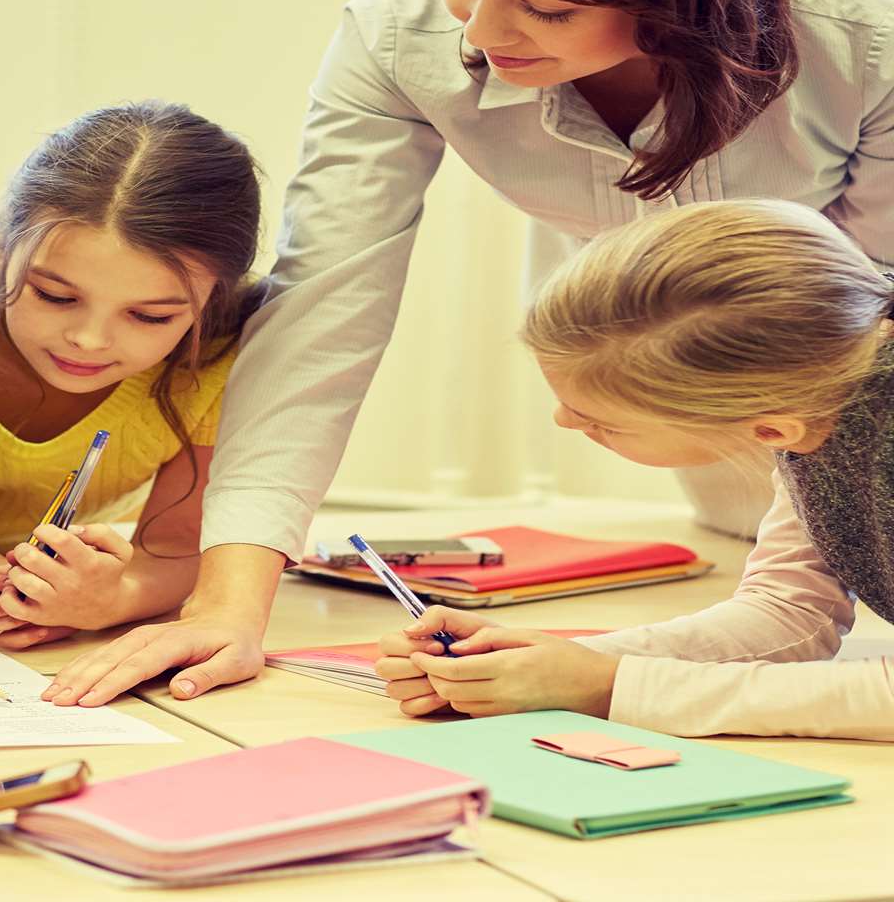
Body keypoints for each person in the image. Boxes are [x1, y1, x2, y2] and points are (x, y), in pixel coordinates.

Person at [44, 0, 894, 708]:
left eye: (548, 7)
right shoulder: (398, 36)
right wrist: (226, 606)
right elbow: (321, 310)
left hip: (801, 401)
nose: (484, 33)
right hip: (735, 439)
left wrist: (611, 687)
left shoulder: (869, 38)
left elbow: (862, 328)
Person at [376, 201, 894, 741]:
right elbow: (790, 614)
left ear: (769, 431)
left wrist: (608, 687)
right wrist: (543, 665)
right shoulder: (820, 385)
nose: (562, 420)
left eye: (601, 422)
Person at [0, 102, 264, 645]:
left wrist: (110, 601)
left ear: (212, 299)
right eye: (55, 295)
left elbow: (176, 550)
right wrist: (7, 590)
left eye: (150, 315)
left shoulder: (220, 361)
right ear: (5, 248)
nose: (89, 339)